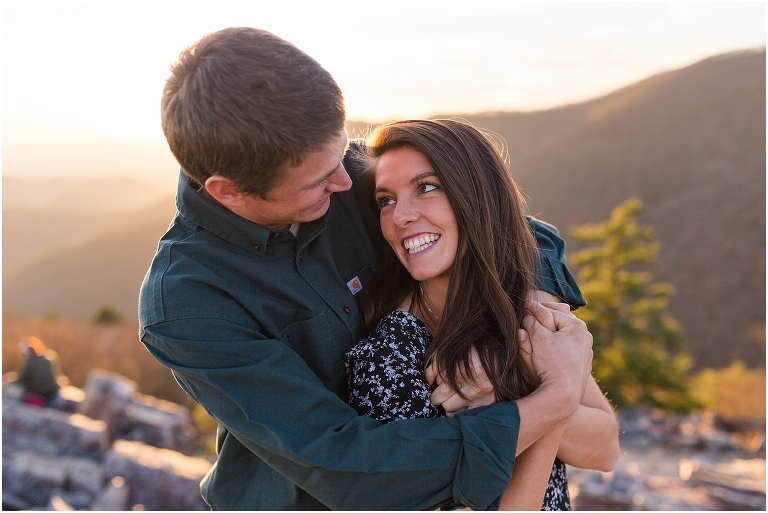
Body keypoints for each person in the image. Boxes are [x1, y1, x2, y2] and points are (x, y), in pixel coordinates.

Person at [139, 27, 594, 510]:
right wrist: (553, 401)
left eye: (341, 153)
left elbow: (509, 227)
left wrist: (522, 318)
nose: (347, 178)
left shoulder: (349, 173)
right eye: (319, 179)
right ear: (228, 191)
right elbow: (348, 465)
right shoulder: (187, 304)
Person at [345, 120, 619, 510]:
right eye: (385, 200)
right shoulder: (390, 356)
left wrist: (524, 390)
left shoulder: (520, 312)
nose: (400, 216)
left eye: (426, 187)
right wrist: (549, 393)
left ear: (477, 196)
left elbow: (606, 448)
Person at [16, 336, 66, 408]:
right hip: (54, 394)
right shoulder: (50, 357)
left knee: (14, 392)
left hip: (39, 395)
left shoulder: (30, 362)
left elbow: (21, 380)